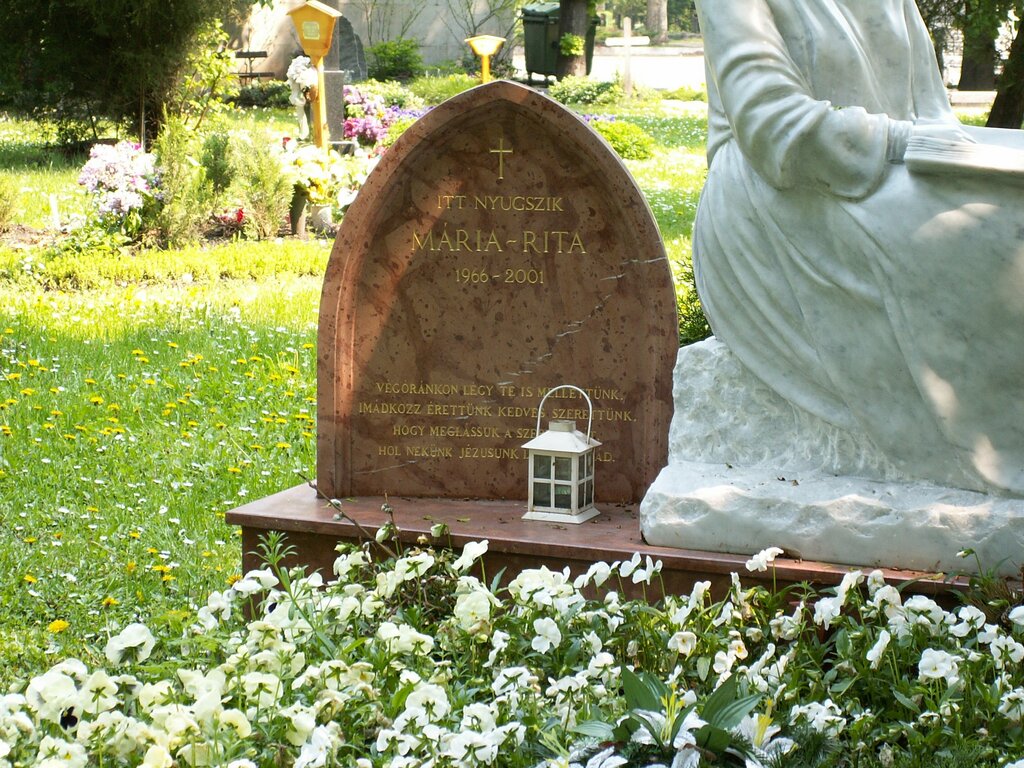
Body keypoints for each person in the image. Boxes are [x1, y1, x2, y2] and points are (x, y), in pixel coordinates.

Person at [693, 0, 1024, 495]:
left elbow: (933, 115)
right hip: (782, 193)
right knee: (988, 235)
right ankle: (985, 447)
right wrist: (900, 145)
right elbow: (772, 125)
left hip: (890, 169)